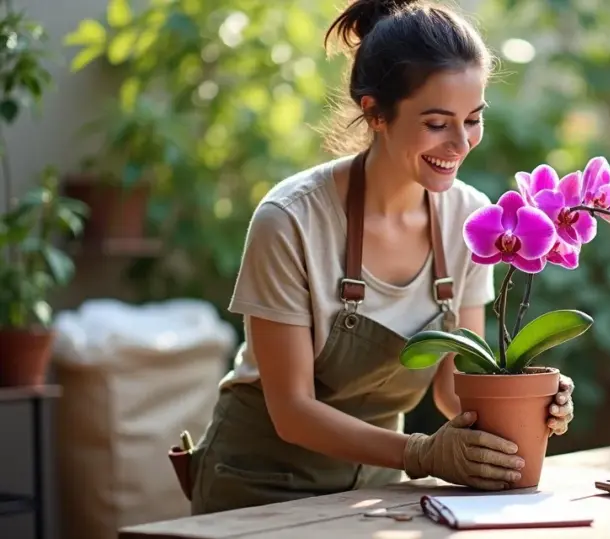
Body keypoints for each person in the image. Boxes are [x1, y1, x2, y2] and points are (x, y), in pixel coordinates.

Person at [185, 0, 576, 516]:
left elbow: (454, 390)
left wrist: (526, 401)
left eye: (473, 119)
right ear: (375, 113)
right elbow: (292, 411)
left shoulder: (470, 219)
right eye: (437, 123)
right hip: (259, 490)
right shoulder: (291, 220)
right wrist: (421, 453)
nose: (461, 144)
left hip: (375, 493)